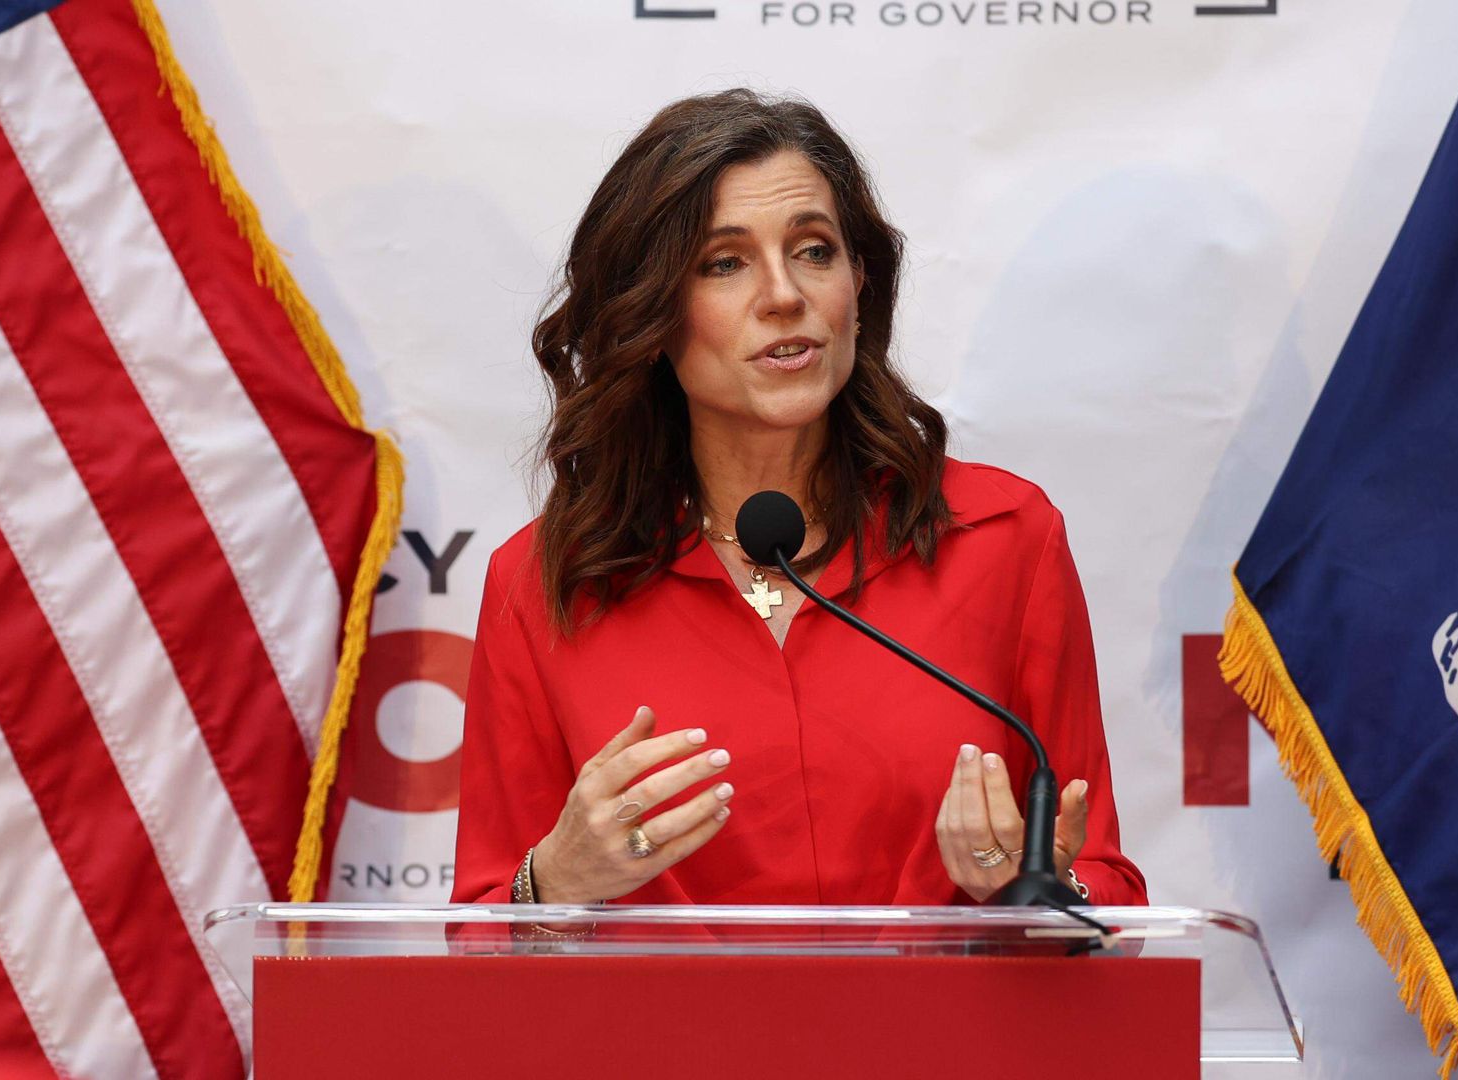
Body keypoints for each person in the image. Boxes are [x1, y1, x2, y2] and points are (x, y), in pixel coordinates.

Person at [450, 89, 1146, 916]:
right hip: (659, 1049)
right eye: (724, 262)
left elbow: (1108, 897)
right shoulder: (544, 582)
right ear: (650, 312)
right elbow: (487, 944)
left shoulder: (1003, 540)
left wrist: (1035, 893)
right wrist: (556, 883)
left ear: (860, 280)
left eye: (814, 250)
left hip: (944, 1045)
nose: (784, 295)